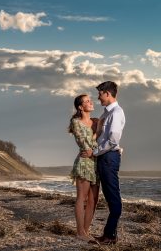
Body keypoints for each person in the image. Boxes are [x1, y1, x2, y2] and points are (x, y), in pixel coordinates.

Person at [81, 81, 125, 245]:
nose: (98, 97)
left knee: (113, 197)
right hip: (105, 157)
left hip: (108, 158)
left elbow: (113, 140)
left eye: (100, 93)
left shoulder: (117, 112)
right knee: (109, 196)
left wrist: (95, 152)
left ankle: (110, 236)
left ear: (107, 93)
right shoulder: (106, 113)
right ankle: (109, 234)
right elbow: (103, 136)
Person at [68, 94, 100, 242]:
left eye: (90, 100)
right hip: (84, 162)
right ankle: (79, 232)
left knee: (94, 200)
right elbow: (84, 144)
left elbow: (100, 142)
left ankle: (86, 232)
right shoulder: (76, 122)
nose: (91, 102)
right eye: (87, 101)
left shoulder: (96, 121)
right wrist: (96, 136)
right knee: (82, 197)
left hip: (96, 162)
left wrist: (95, 144)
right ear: (81, 107)